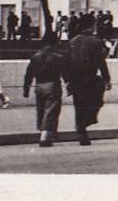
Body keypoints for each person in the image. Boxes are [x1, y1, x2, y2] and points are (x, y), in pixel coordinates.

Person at [64, 13, 111, 146]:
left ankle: (82, 132)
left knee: (79, 106)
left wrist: (67, 80)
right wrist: (107, 78)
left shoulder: (72, 41)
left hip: (75, 79)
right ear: (92, 25)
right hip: (90, 78)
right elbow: (101, 62)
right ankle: (87, 122)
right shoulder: (96, 41)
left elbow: (66, 62)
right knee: (96, 102)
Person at [23, 32, 65, 147]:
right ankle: (45, 136)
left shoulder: (35, 57)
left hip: (39, 85)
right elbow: (65, 73)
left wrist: (26, 88)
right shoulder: (58, 57)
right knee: (51, 111)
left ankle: (44, 132)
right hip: (53, 85)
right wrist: (69, 83)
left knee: (41, 110)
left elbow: (28, 74)